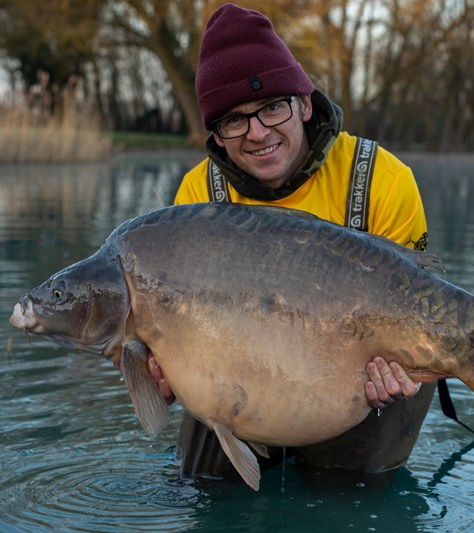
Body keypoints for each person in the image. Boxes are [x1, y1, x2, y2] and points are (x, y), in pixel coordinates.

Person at [147, 2, 436, 478]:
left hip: (361, 376)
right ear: (216, 135)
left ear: (304, 103)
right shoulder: (198, 197)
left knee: (349, 497)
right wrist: (166, 367)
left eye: (272, 107)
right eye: (233, 120)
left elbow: (418, 305)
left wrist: (404, 367)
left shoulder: (381, 179)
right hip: (240, 377)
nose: (257, 132)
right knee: (202, 484)